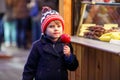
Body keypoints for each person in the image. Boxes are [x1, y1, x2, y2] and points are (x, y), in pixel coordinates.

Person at [22, 6, 79, 80]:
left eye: (58, 26)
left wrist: (69, 56)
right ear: (44, 30)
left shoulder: (65, 44)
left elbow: (73, 67)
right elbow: (29, 68)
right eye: (51, 26)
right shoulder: (37, 46)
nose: (56, 29)